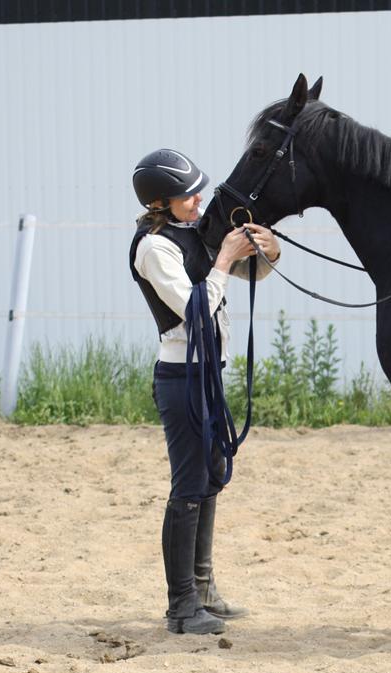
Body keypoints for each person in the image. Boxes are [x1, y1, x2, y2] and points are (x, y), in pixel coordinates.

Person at [129, 148, 281, 635]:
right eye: (185, 195)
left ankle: (202, 589)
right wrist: (223, 259)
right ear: (160, 202)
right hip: (181, 377)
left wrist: (269, 248)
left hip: (207, 373)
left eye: (196, 191)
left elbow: (249, 272)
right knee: (189, 487)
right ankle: (180, 607)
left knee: (211, 476)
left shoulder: (190, 235)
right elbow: (194, 308)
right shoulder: (154, 248)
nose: (197, 200)